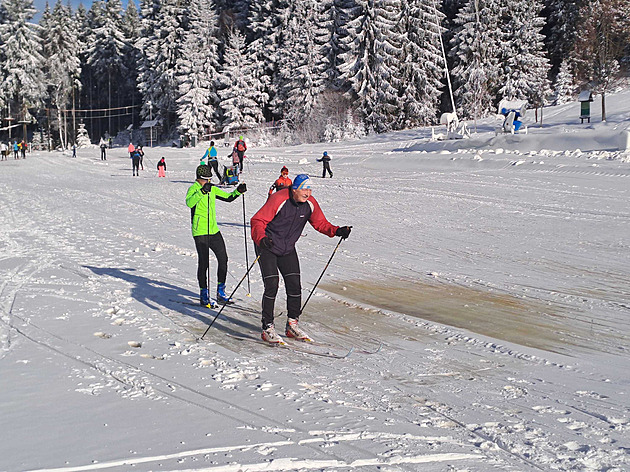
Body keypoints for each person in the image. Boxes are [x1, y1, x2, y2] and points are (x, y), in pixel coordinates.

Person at [250, 174, 352, 344]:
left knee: (295, 285)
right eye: (304, 189)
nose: (308, 193)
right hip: (267, 244)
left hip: (287, 247)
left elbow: (321, 223)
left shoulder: (310, 203)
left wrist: (337, 231)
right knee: (272, 284)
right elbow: (257, 220)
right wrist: (261, 238)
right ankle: (267, 328)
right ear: (295, 189)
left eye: (310, 189)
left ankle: (292, 325)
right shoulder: (279, 199)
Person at [186, 165, 247, 306]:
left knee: (223, 259)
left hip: (213, 230)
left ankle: (220, 292)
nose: (208, 182)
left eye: (209, 179)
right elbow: (189, 203)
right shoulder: (193, 189)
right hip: (200, 231)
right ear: (199, 179)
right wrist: (201, 191)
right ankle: (204, 294)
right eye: (206, 180)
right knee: (204, 263)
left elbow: (228, 198)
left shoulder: (212, 188)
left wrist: (238, 191)